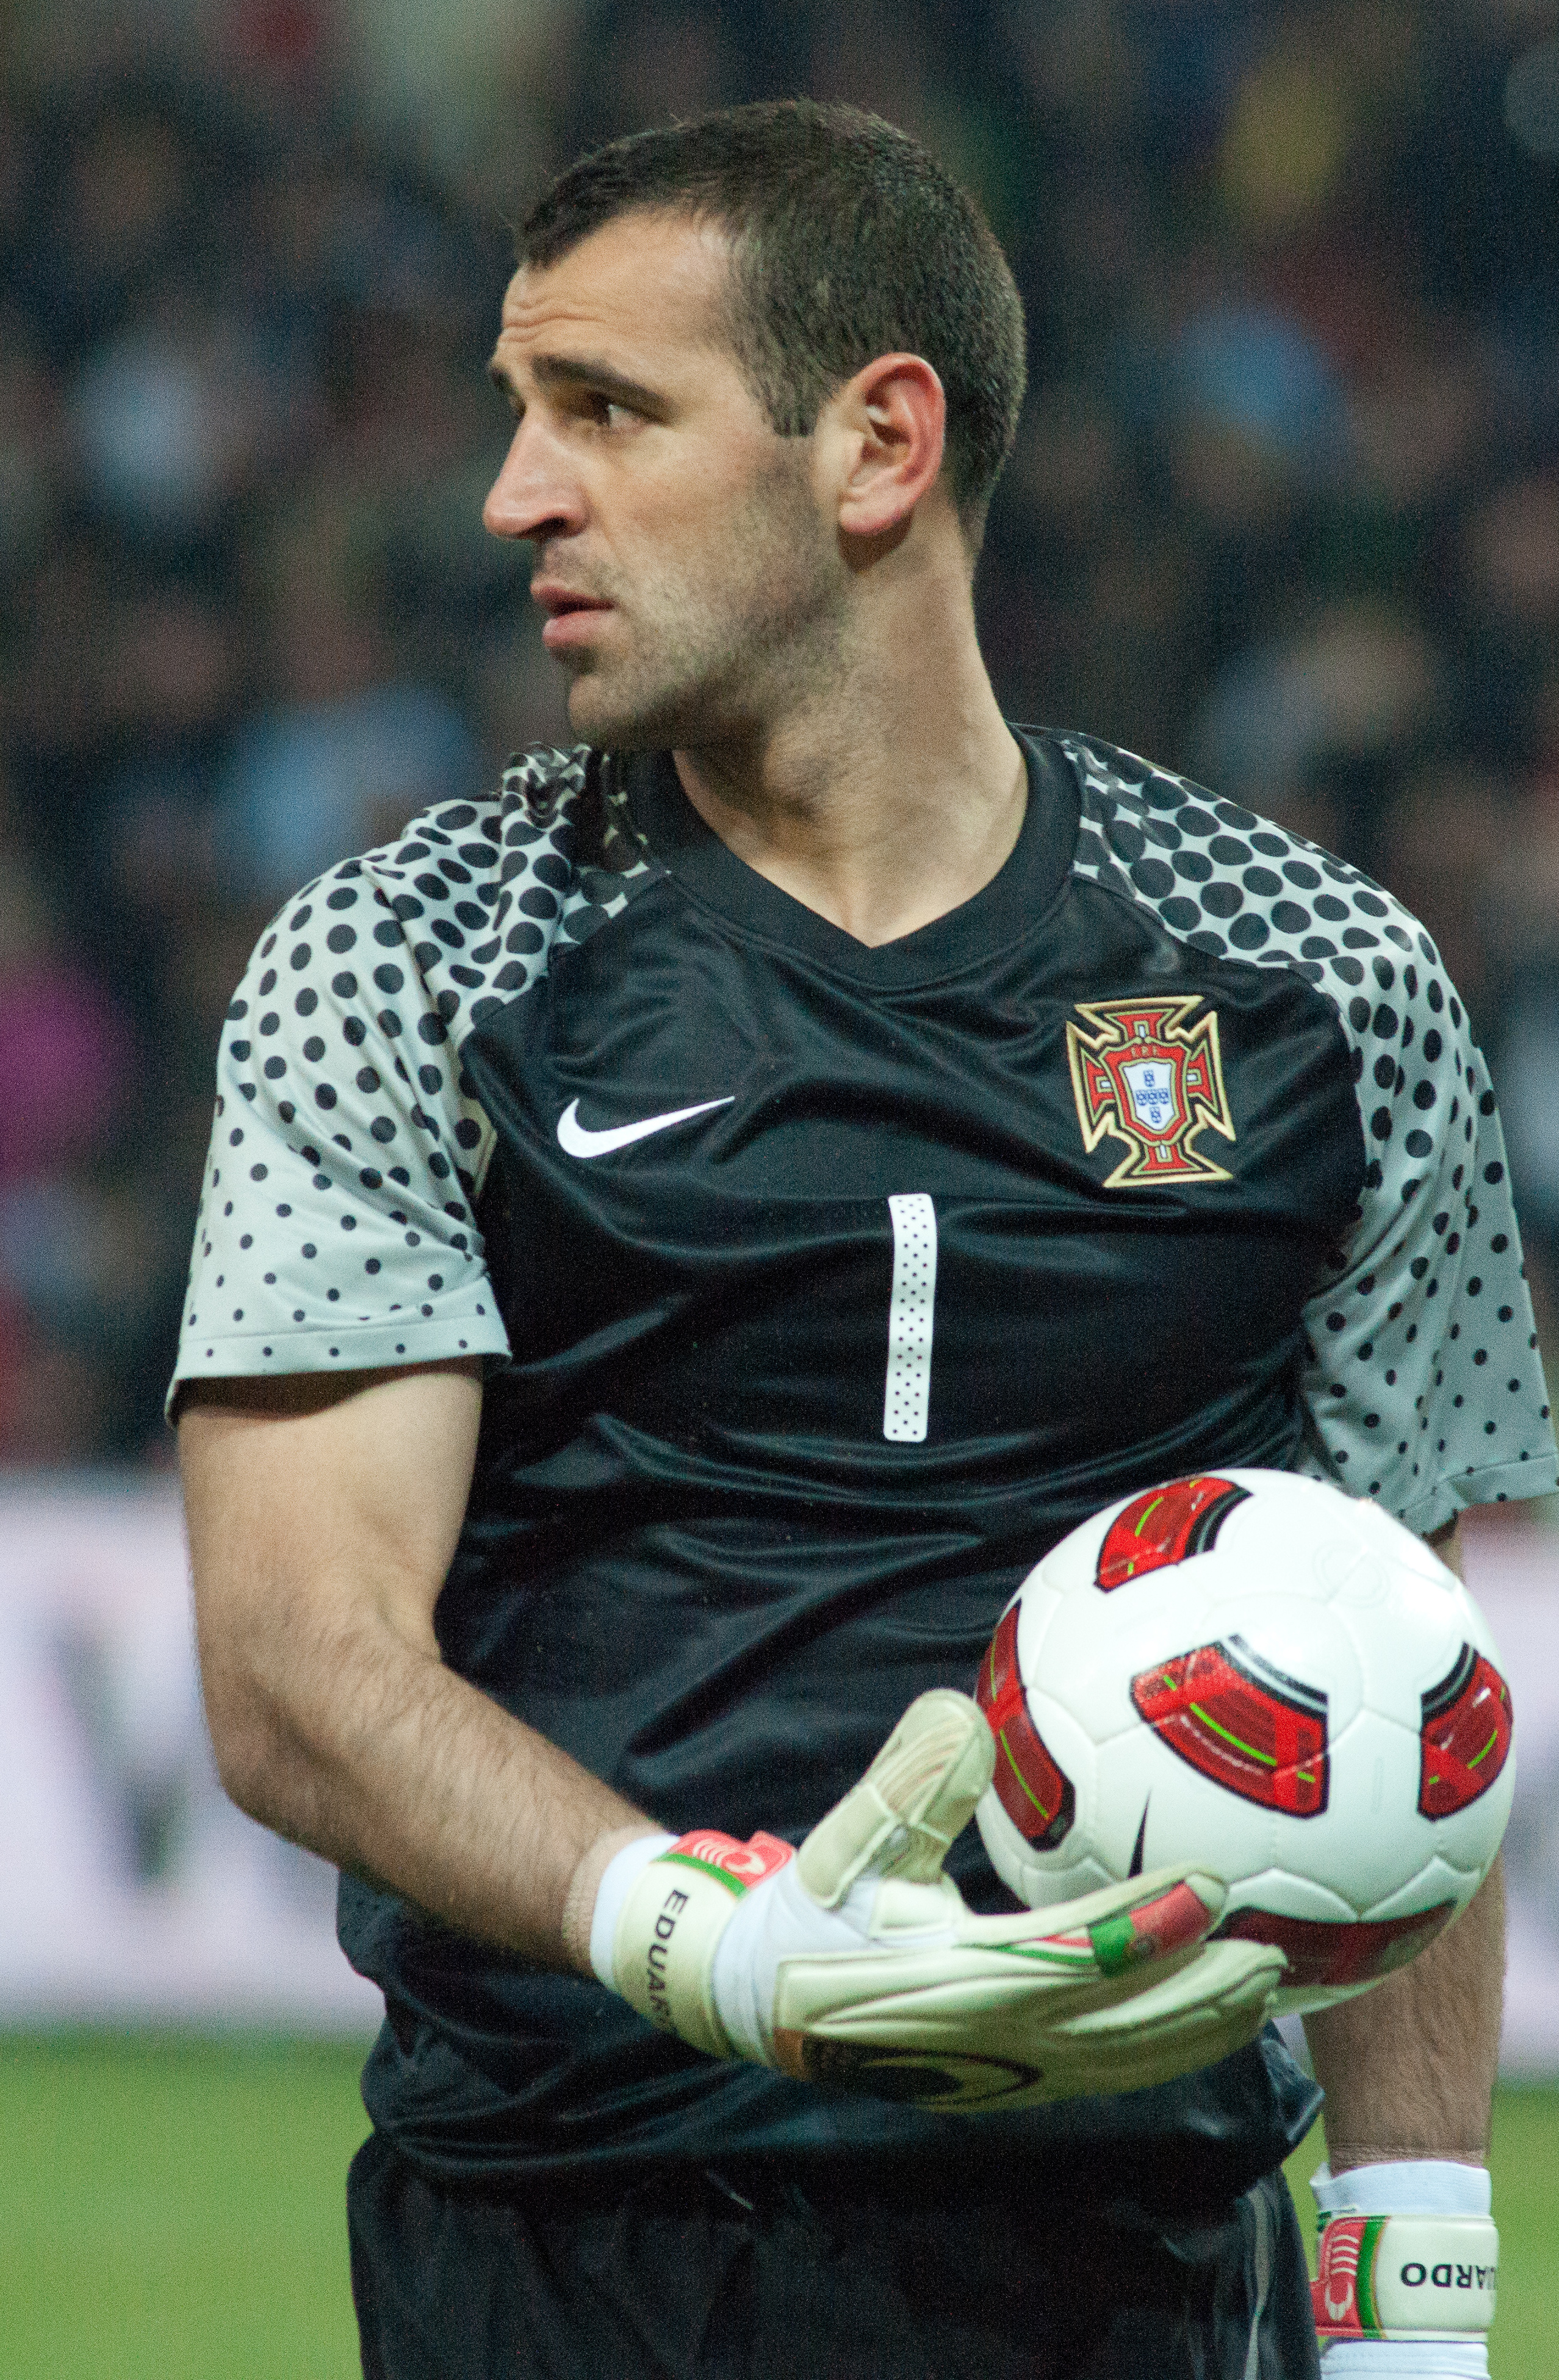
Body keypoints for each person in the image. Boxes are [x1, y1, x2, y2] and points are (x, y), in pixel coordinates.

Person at [174, 102, 1556, 2379]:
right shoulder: (407, 959)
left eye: (603, 410)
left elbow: (1389, 1692)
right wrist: (703, 1942)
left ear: (876, 446)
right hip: (574, 2259)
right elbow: (295, 1660)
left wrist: (1417, 2290)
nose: (516, 492)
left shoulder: (1324, 990)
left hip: (1134, 2279)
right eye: (520, 414)